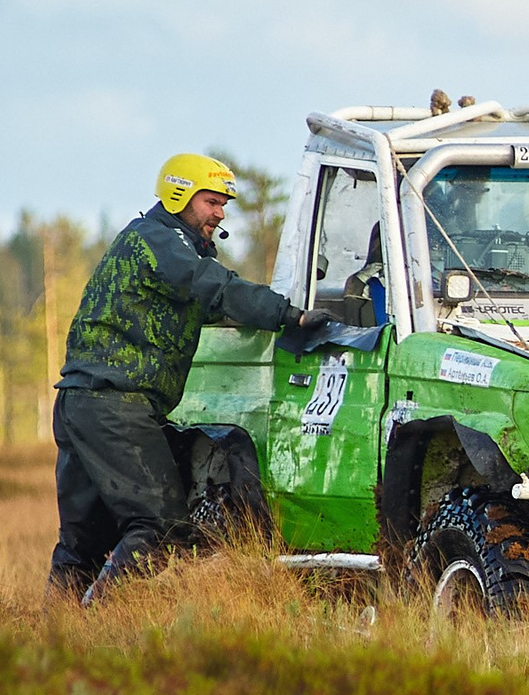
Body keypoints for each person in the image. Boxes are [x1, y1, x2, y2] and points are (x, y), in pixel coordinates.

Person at [51, 152, 326, 602]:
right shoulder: (158, 241)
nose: (220, 214)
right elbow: (215, 287)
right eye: (211, 202)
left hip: (80, 402)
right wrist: (290, 316)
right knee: (160, 527)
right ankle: (104, 614)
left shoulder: (156, 244)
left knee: (83, 540)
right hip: (116, 406)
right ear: (178, 195)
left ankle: (58, 626)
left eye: (223, 205)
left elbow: (209, 301)